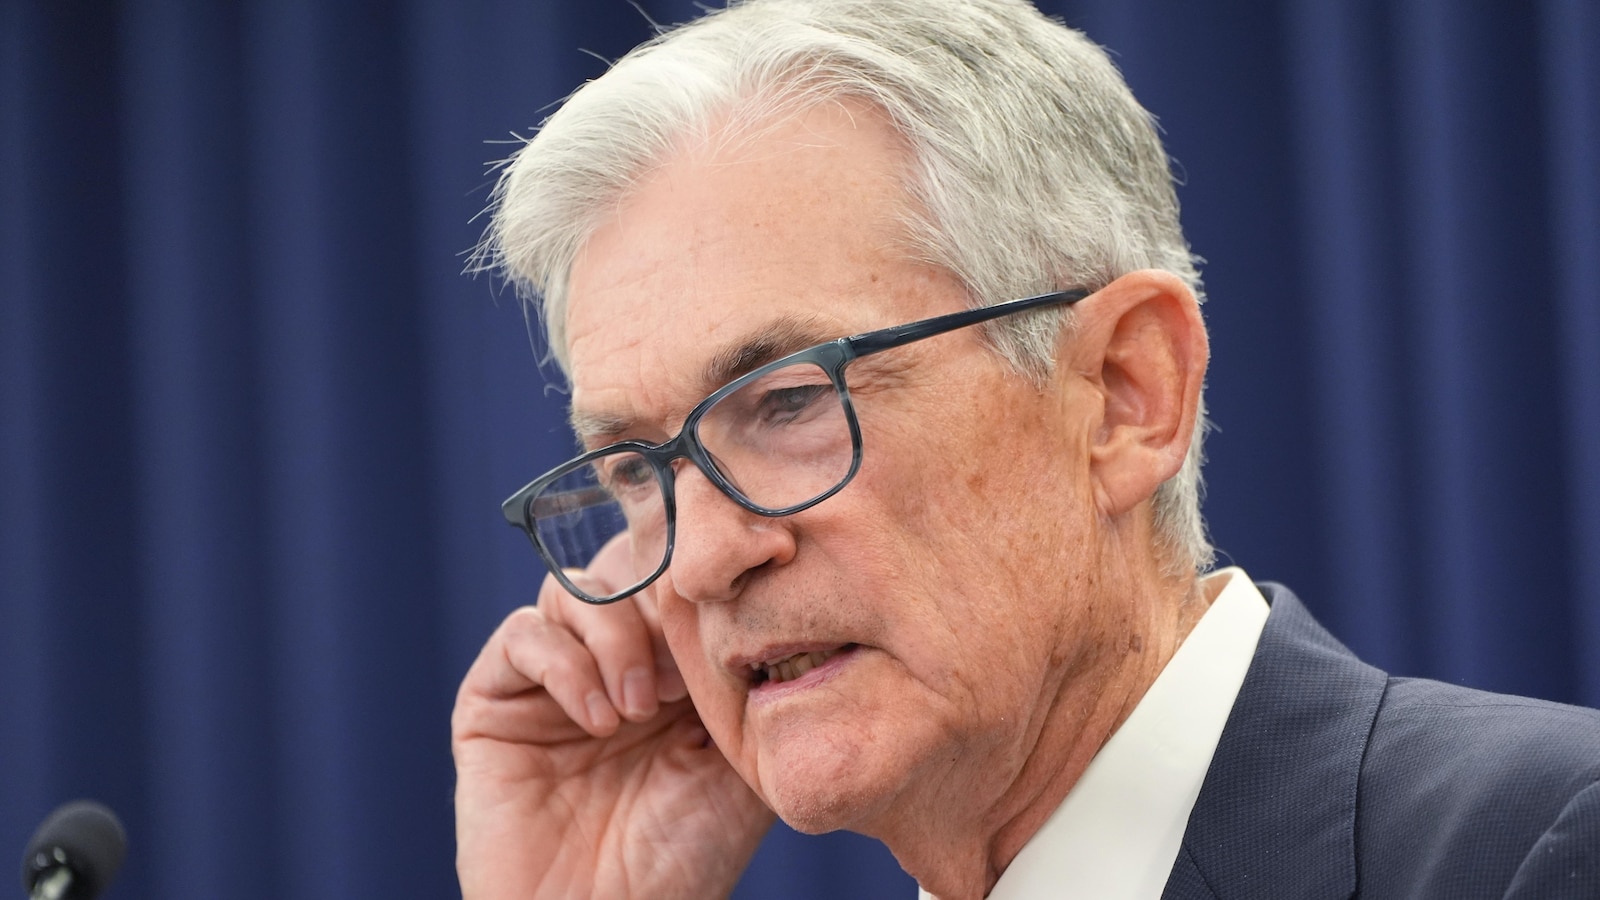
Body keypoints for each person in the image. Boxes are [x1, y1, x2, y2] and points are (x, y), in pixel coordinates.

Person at [451, 1, 1600, 897]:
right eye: (636, 469)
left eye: (787, 402)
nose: (702, 562)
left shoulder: (1542, 850)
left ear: (1122, 394)